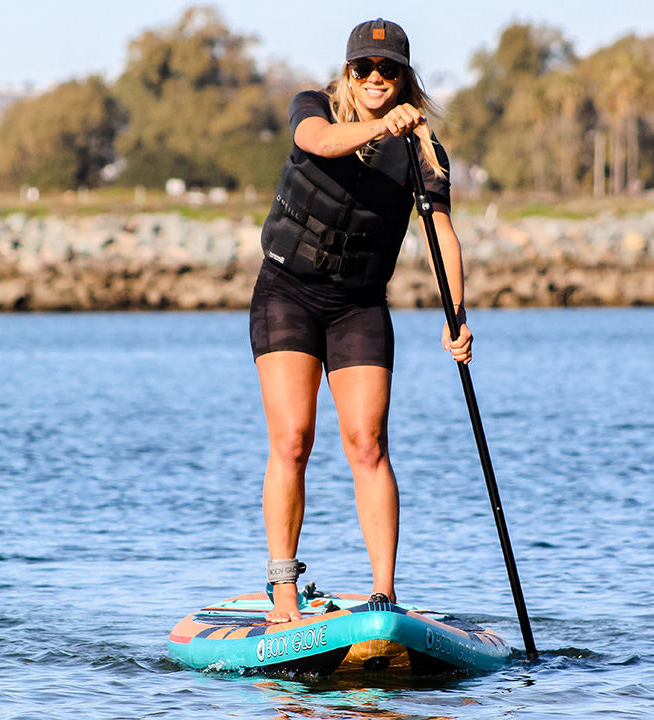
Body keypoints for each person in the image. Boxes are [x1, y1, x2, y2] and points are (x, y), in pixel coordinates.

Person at [250, 18, 473, 623]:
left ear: (405, 77)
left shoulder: (425, 151)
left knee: (367, 443)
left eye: (389, 70)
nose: (376, 78)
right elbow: (319, 142)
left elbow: (442, 238)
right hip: (287, 293)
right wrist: (378, 126)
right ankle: (283, 590)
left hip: (359, 304)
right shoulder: (313, 106)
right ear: (348, 72)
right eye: (365, 69)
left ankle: (384, 595)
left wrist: (456, 314)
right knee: (293, 439)